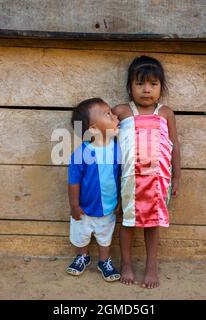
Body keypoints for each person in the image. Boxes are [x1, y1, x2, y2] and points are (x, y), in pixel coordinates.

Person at [112, 56, 181, 288]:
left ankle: (151, 266)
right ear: (130, 87)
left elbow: (174, 146)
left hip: (158, 180)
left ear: (162, 88)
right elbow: (104, 141)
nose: (146, 90)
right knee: (128, 222)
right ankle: (127, 264)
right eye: (140, 84)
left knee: (153, 223)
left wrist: (177, 177)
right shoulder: (122, 112)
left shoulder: (166, 113)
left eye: (153, 84)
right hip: (129, 180)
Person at [66, 97, 122, 282]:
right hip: (84, 208)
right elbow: (74, 180)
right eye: (108, 115)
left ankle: (104, 260)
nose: (115, 117)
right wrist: (74, 205)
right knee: (81, 234)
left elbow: (121, 176)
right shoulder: (82, 153)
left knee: (105, 236)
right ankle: (83, 256)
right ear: (94, 129)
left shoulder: (117, 150)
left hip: (108, 206)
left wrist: (121, 200)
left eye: (112, 113)